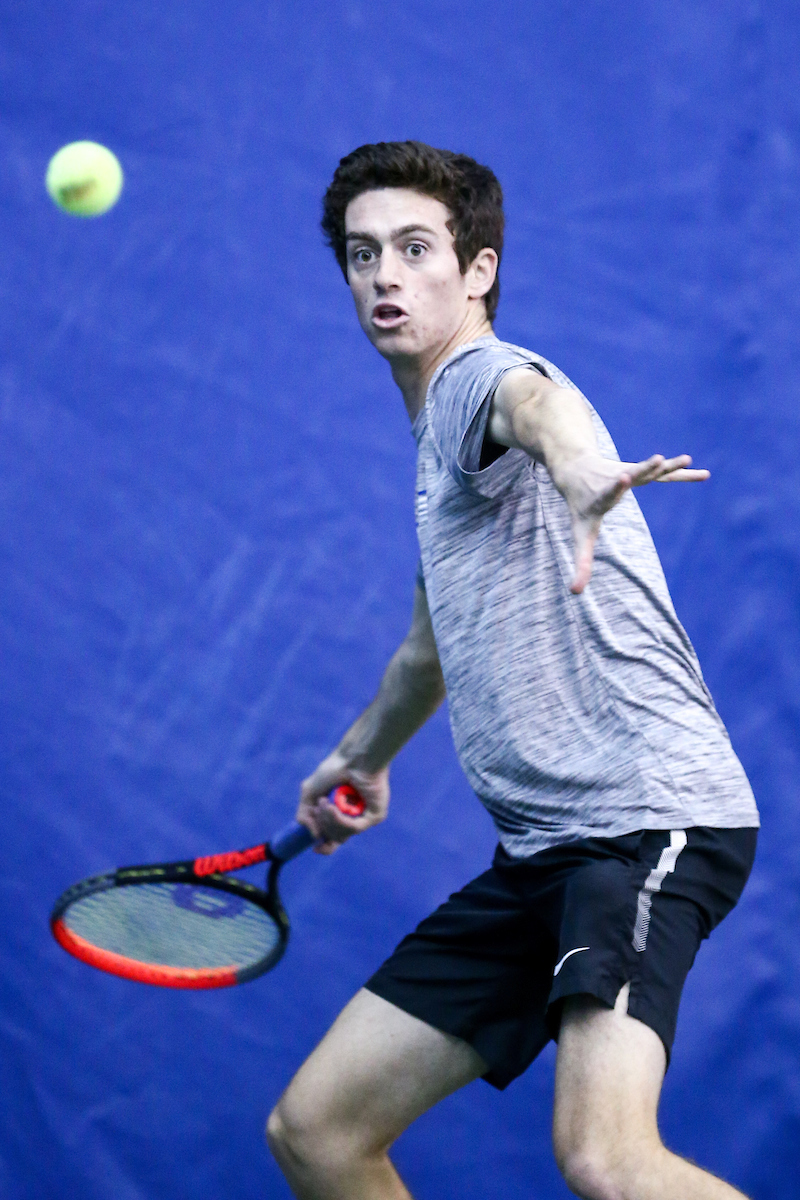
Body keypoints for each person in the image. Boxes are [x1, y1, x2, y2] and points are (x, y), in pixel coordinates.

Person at [266, 141, 759, 1200]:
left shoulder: (472, 381)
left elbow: (533, 408)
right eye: (361, 256)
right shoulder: (439, 466)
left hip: (642, 821)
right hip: (545, 847)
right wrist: (357, 762)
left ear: (476, 270)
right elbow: (424, 652)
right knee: (319, 1130)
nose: (384, 276)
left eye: (412, 249)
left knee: (605, 1157)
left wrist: (582, 472)